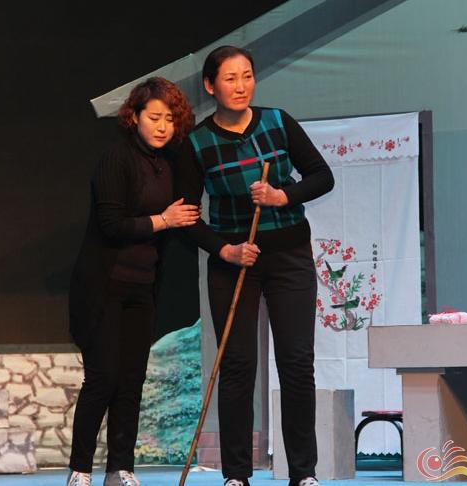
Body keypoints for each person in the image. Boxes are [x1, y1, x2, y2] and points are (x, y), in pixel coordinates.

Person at [175, 46, 334, 486]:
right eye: (230, 78)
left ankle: (303, 472)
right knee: (238, 365)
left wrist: (283, 196)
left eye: (247, 76)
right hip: (234, 261)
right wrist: (224, 250)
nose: (241, 86)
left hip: (289, 256)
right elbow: (187, 216)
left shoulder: (278, 122)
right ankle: (236, 474)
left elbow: (322, 176)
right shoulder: (197, 143)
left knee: (296, 362)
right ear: (210, 86)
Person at [67, 77, 199, 486]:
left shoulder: (169, 162)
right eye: (154, 117)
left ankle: (120, 468)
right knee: (103, 377)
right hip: (104, 284)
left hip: (143, 285)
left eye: (170, 119)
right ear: (135, 117)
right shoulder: (117, 159)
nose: (162, 126)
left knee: (131, 380)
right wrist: (163, 220)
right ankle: (80, 469)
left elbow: (187, 214)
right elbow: (111, 224)